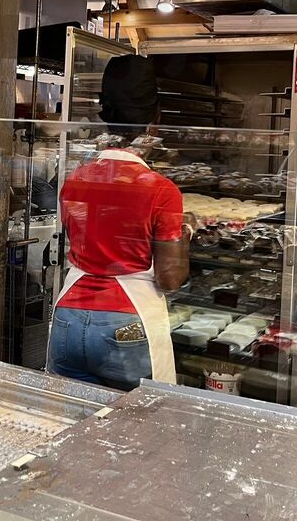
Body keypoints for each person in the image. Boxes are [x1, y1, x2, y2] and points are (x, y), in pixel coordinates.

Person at [47, 55, 189, 390]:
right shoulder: (161, 190)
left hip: (68, 317)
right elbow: (170, 279)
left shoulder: (76, 179)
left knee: (71, 414)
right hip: (127, 323)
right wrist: (185, 236)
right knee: (136, 420)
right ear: (154, 123)